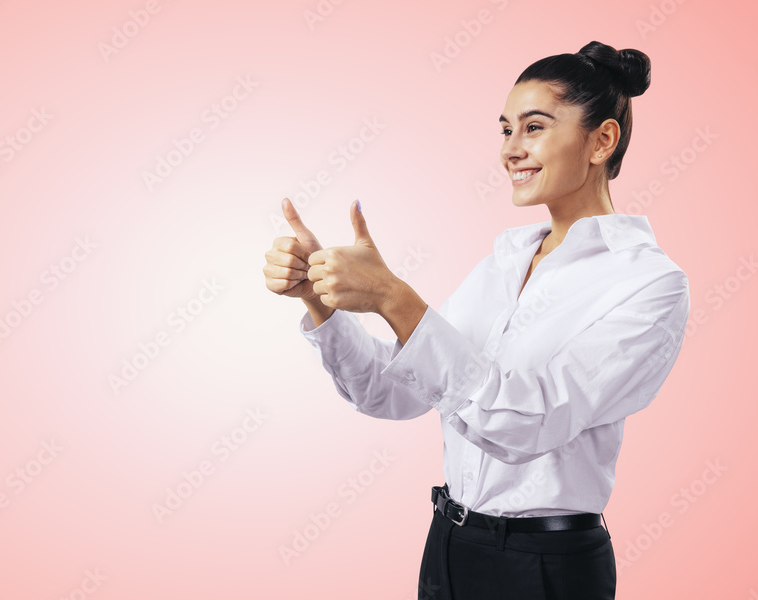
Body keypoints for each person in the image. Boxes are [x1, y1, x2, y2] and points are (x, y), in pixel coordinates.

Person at [262, 41, 690, 599]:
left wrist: (395, 298)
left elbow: (529, 421)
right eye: (506, 130)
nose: (511, 149)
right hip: (448, 545)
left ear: (602, 140)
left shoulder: (648, 283)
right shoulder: (503, 264)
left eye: (534, 127)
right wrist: (318, 299)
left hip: (546, 566)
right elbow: (394, 393)